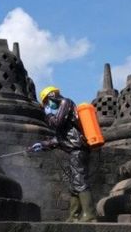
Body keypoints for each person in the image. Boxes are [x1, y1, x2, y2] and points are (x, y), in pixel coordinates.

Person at [29, 86, 97, 222]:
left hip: (78, 149)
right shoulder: (62, 112)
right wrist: (42, 145)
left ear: (52, 96)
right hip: (73, 149)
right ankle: (74, 216)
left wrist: (48, 114)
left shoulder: (66, 103)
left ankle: (89, 215)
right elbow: (60, 138)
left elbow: (56, 124)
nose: (47, 106)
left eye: (47, 102)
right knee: (74, 183)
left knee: (80, 181)